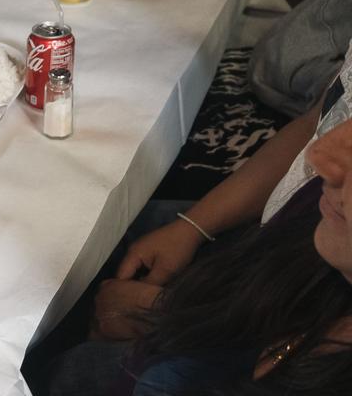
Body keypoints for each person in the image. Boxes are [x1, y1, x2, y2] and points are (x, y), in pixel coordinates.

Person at [89, 0, 352, 350]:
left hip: (288, 315)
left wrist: (180, 318)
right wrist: (194, 227)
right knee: (104, 225)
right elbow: (318, 125)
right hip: (276, 256)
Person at [46, 118, 352, 395]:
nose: (319, 153)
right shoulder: (316, 248)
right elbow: (319, 116)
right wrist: (172, 311)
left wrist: (164, 317)